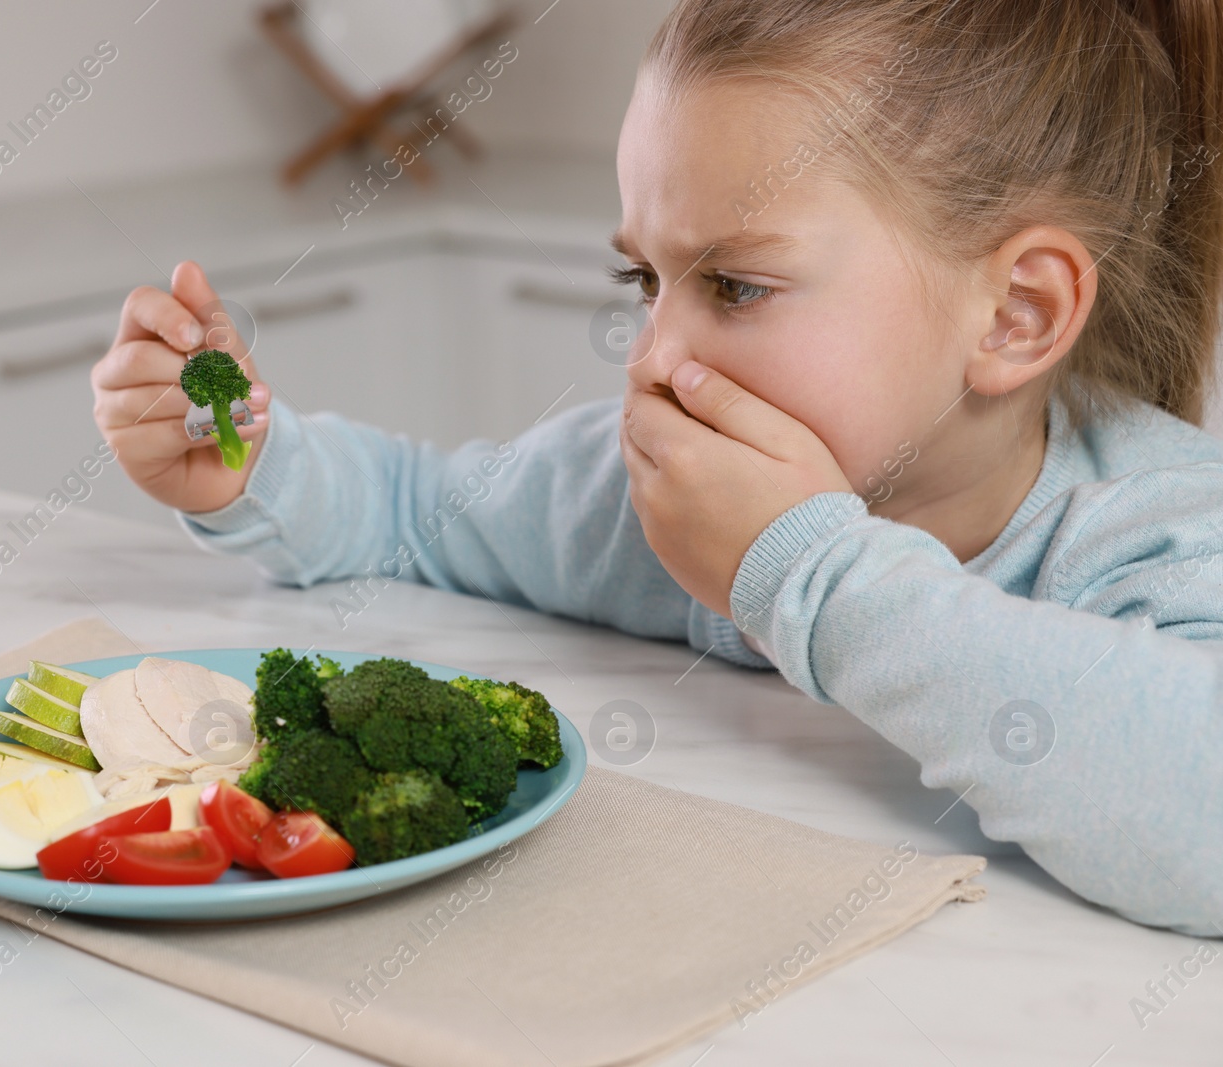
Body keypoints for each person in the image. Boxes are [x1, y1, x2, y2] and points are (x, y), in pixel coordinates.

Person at [90, 0, 1223, 936]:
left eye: (733, 285)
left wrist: (805, 573)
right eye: (646, 280)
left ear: (1017, 315)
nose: (651, 355)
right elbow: (411, 514)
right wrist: (253, 464)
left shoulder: (1157, 529)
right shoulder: (638, 498)